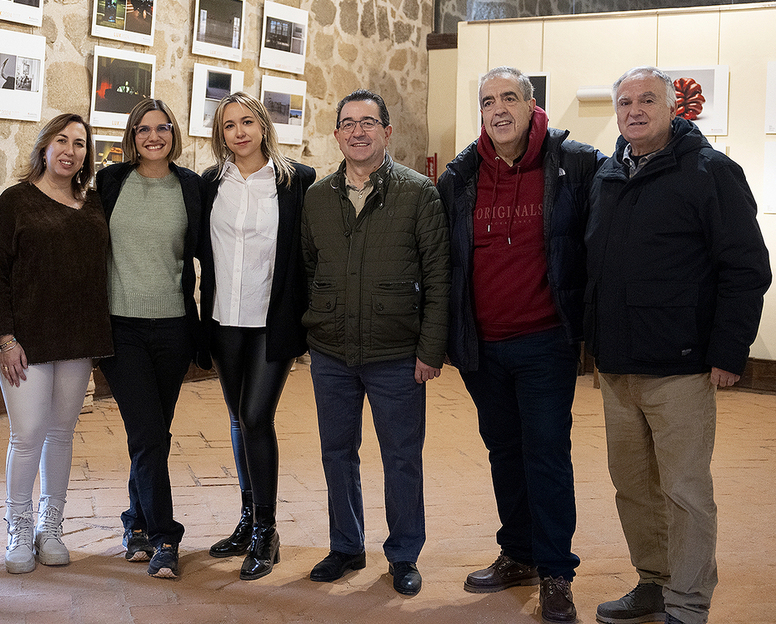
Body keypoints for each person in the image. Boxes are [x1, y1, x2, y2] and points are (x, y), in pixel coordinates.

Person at [586, 66, 771, 624]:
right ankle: (653, 581)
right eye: (625, 102)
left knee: (685, 491)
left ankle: (688, 603)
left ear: (673, 107)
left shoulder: (711, 171)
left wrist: (729, 352)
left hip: (680, 367)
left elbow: (746, 268)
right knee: (632, 487)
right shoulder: (608, 174)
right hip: (617, 365)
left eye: (647, 100)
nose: (635, 110)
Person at [437, 66, 602, 623]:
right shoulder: (460, 176)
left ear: (532, 105)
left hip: (544, 342)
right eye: (488, 101)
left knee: (547, 454)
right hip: (482, 346)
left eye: (510, 98)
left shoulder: (574, 163)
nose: (499, 109)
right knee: (504, 452)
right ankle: (519, 553)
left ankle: (556, 571)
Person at [300, 88, 449, 597]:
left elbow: (439, 276)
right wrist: (315, 326)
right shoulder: (317, 197)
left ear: (387, 131)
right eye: (348, 123)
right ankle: (345, 545)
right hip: (332, 351)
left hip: (396, 353)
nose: (357, 131)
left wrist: (430, 350)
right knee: (337, 452)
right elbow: (309, 268)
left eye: (368, 122)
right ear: (337, 134)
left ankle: (404, 554)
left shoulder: (419, 193)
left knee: (402, 457)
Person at [0, 113, 113, 575]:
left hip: (78, 335)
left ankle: (50, 526)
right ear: (44, 146)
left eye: (80, 143)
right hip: (25, 339)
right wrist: (5, 339)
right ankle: (18, 527)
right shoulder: (15, 202)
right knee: (27, 435)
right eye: (62, 140)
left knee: (61, 432)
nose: (70, 150)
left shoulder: (93, 202)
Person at [199, 92, 316, 580]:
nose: (239, 132)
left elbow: (307, 252)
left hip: (273, 319)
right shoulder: (209, 183)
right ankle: (247, 518)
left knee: (254, 415)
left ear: (264, 125)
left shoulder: (297, 180)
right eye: (229, 125)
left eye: (247, 122)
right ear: (221, 134)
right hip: (224, 318)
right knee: (237, 416)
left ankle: (266, 530)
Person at [95, 98, 203, 580]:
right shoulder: (110, 182)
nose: (153, 136)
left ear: (173, 134)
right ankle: (164, 536)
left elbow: (206, 252)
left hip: (174, 326)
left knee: (155, 432)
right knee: (147, 432)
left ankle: (135, 523)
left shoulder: (191, 186)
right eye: (143, 129)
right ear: (131, 136)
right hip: (122, 328)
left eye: (162, 128)